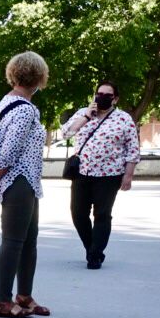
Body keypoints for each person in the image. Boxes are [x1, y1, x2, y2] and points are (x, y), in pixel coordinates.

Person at [0, 51, 50, 318]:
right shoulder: (24, 110)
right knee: (13, 241)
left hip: (27, 180)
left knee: (29, 241)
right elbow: (8, 150)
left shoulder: (8, 102)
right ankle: (1, 300)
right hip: (16, 180)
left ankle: (24, 295)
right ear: (40, 77)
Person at [60, 81, 139, 269]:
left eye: (107, 95)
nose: (102, 97)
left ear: (115, 99)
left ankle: (95, 255)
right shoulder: (83, 113)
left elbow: (133, 148)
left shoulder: (123, 118)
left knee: (102, 214)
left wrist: (128, 175)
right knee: (78, 213)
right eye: (99, 93)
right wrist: (86, 116)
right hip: (82, 173)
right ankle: (91, 248)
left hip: (109, 174)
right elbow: (65, 134)